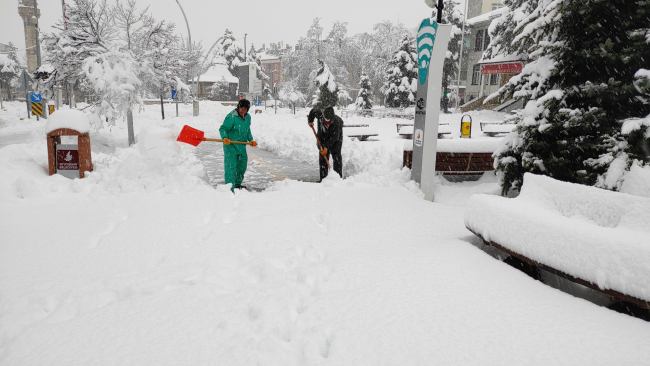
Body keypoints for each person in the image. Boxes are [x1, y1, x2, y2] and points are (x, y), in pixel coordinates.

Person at [219, 99, 257, 191]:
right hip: (230, 146)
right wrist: (225, 137)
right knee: (231, 167)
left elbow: (247, 130)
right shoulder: (231, 117)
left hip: (241, 146)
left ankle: (237, 184)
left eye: (245, 109)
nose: (242, 111)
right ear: (238, 107)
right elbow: (223, 129)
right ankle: (229, 187)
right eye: (241, 108)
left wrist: (251, 139)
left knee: (241, 166)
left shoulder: (248, 117)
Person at [308, 106, 343, 181]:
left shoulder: (336, 123)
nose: (328, 121)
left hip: (336, 139)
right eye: (326, 119)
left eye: (329, 120)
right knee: (323, 157)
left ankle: (338, 178)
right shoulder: (319, 114)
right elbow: (313, 111)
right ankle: (323, 179)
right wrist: (310, 121)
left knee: (336, 157)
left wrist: (326, 147)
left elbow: (334, 138)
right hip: (323, 137)